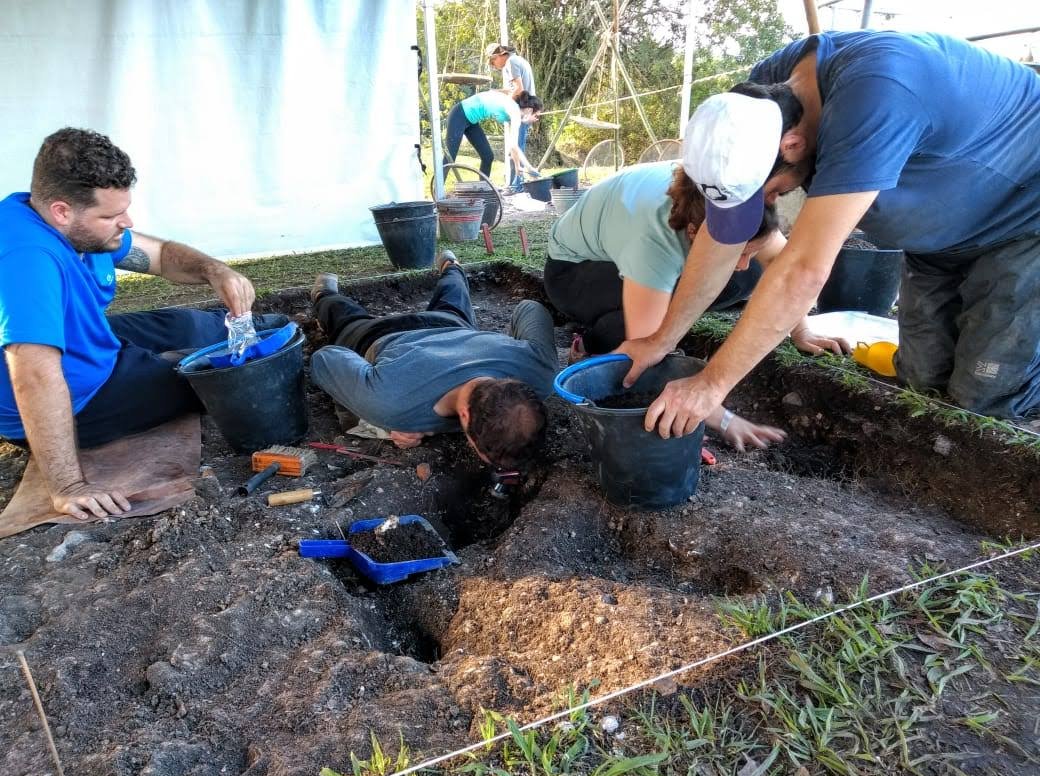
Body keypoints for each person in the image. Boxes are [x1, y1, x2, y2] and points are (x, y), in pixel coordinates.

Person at [619, 31, 1040, 438]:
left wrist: (710, 385)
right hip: (936, 238)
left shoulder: (878, 93)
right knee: (923, 377)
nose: (766, 205)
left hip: (1020, 221)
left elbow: (802, 271)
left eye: (770, 194)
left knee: (982, 394)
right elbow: (721, 237)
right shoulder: (753, 103)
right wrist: (661, 339)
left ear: (793, 145)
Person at [0, 127, 282, 520]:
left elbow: (162, 255)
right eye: (112, 215)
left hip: (89, 343)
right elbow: (33, 375)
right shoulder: (27, 257)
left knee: (191, 326)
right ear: (62, 211)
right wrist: (67, 487)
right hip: (77, 393)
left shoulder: (62, 222)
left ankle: (277, 329)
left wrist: (215, 270)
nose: (127, 222)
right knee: (222, 376)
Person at [544, 161, 847, 451]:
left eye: (748, 251)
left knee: (749, 276)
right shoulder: (654, 240)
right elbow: (650, 351)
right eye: (737, 253)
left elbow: (783, 270)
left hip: (637, 250)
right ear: (694, 232)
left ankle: (651, 301)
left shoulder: (738, 207)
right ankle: (591, 343)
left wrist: (801, 330)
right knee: (626, 333)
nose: (741, 263)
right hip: (575, 270)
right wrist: (723, 419)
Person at [308, 251, 557, 469]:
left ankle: (451, 266)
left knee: (454, 294)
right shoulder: (390, 404)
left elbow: (530, 308)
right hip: (380, 335)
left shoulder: (540, 371)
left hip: (452, 325)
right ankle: (324, 294)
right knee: (342, 318)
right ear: (465, 416)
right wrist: (380, 422)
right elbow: (325, 359)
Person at [444, 89, 543, 180]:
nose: (536, 120)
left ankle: (482, 191)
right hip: (459, 114)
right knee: (449, 157)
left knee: (488, 156)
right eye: (536, 116)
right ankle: (437, 192)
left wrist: (518, 166)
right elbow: (514, 146)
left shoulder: (514, 113)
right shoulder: (514, 111)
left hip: (471, 122)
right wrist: (529, 167)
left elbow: (512, 145)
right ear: (530, 110)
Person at [486, 43, 538, 188]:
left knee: (515, 148)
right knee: (515, 147)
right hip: (525, 108)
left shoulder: (510, 63)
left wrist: (505, 104)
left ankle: (517, 185)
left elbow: (519, 89)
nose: (494, 65)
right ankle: (514, 183)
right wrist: (496, 92)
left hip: (521, 110)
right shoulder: (518, 60)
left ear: (501, 55)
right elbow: (513, 89)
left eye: (493, 61)